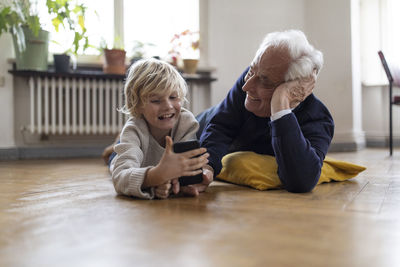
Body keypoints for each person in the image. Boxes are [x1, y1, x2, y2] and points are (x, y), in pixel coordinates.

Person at [197, 29, 334, 193]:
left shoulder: (317, 119)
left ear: (293, 88)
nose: (246, 86)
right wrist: (207, 167)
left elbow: (301, 181)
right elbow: (221, 127)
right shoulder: (249, 80)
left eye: (265, 82)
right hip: (197, 126)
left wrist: (281, 106)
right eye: (251, 71)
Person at [110, 58, 211, 199]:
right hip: (131, 154)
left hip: (145, 162)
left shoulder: (186, 123)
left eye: (173, 97)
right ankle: (114, 147)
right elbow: (120, 177)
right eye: (156, 100)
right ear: (138, 105)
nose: (168, 106)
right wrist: (155, 177)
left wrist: (173, 186)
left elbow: (183, 172)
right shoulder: (134, 129)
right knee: (114, 159)